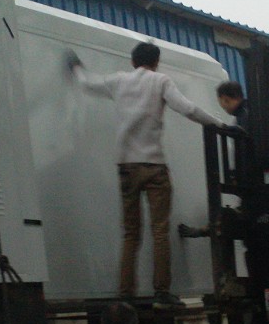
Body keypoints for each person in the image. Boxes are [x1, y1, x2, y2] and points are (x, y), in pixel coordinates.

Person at [67, 42, 225, 309]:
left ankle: (125, 294)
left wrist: (75, 66)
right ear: (156, 62)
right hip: (154, 167)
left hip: (126, 167)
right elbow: (187, 109)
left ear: (133, 61)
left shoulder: (119, 81)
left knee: (131, 233)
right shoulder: (160, 81)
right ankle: (161, 293)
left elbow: (86, 83)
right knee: (159, 231)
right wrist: (220, 124)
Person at [180, 81, 265, 324]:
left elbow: (247, 149)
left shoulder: (245, 120)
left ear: (228, 99)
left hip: (257, 202)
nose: (223, 108)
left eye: (222, 103)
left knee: (256, 291)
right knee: (253, 294)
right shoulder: (253, 117)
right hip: (256, 206)